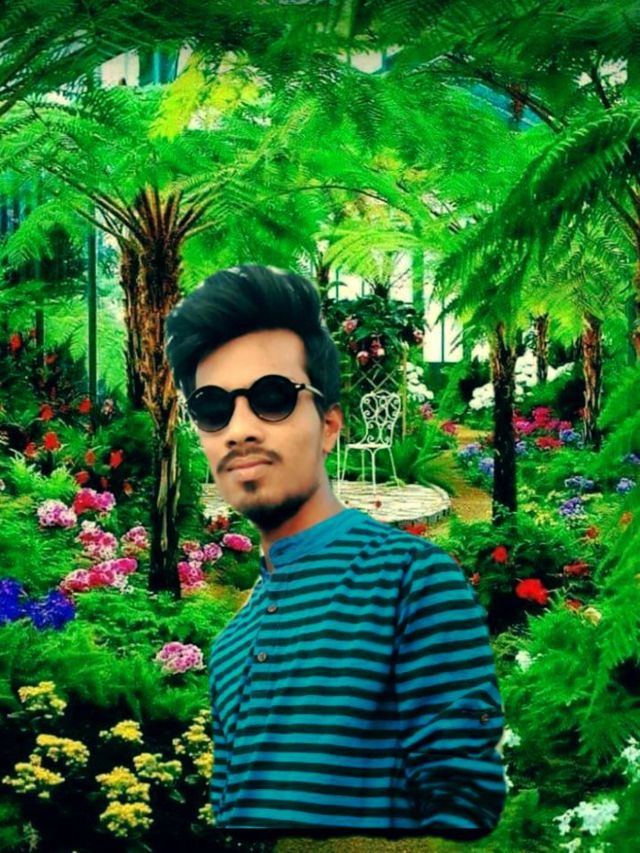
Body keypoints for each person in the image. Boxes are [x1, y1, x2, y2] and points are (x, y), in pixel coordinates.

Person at [164, 264, 507, 844]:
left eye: (272, 397)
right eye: (213, 408)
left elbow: (466, 811)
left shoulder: (411, 581)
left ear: (328, 427)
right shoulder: (231, 646)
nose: (239, 429)